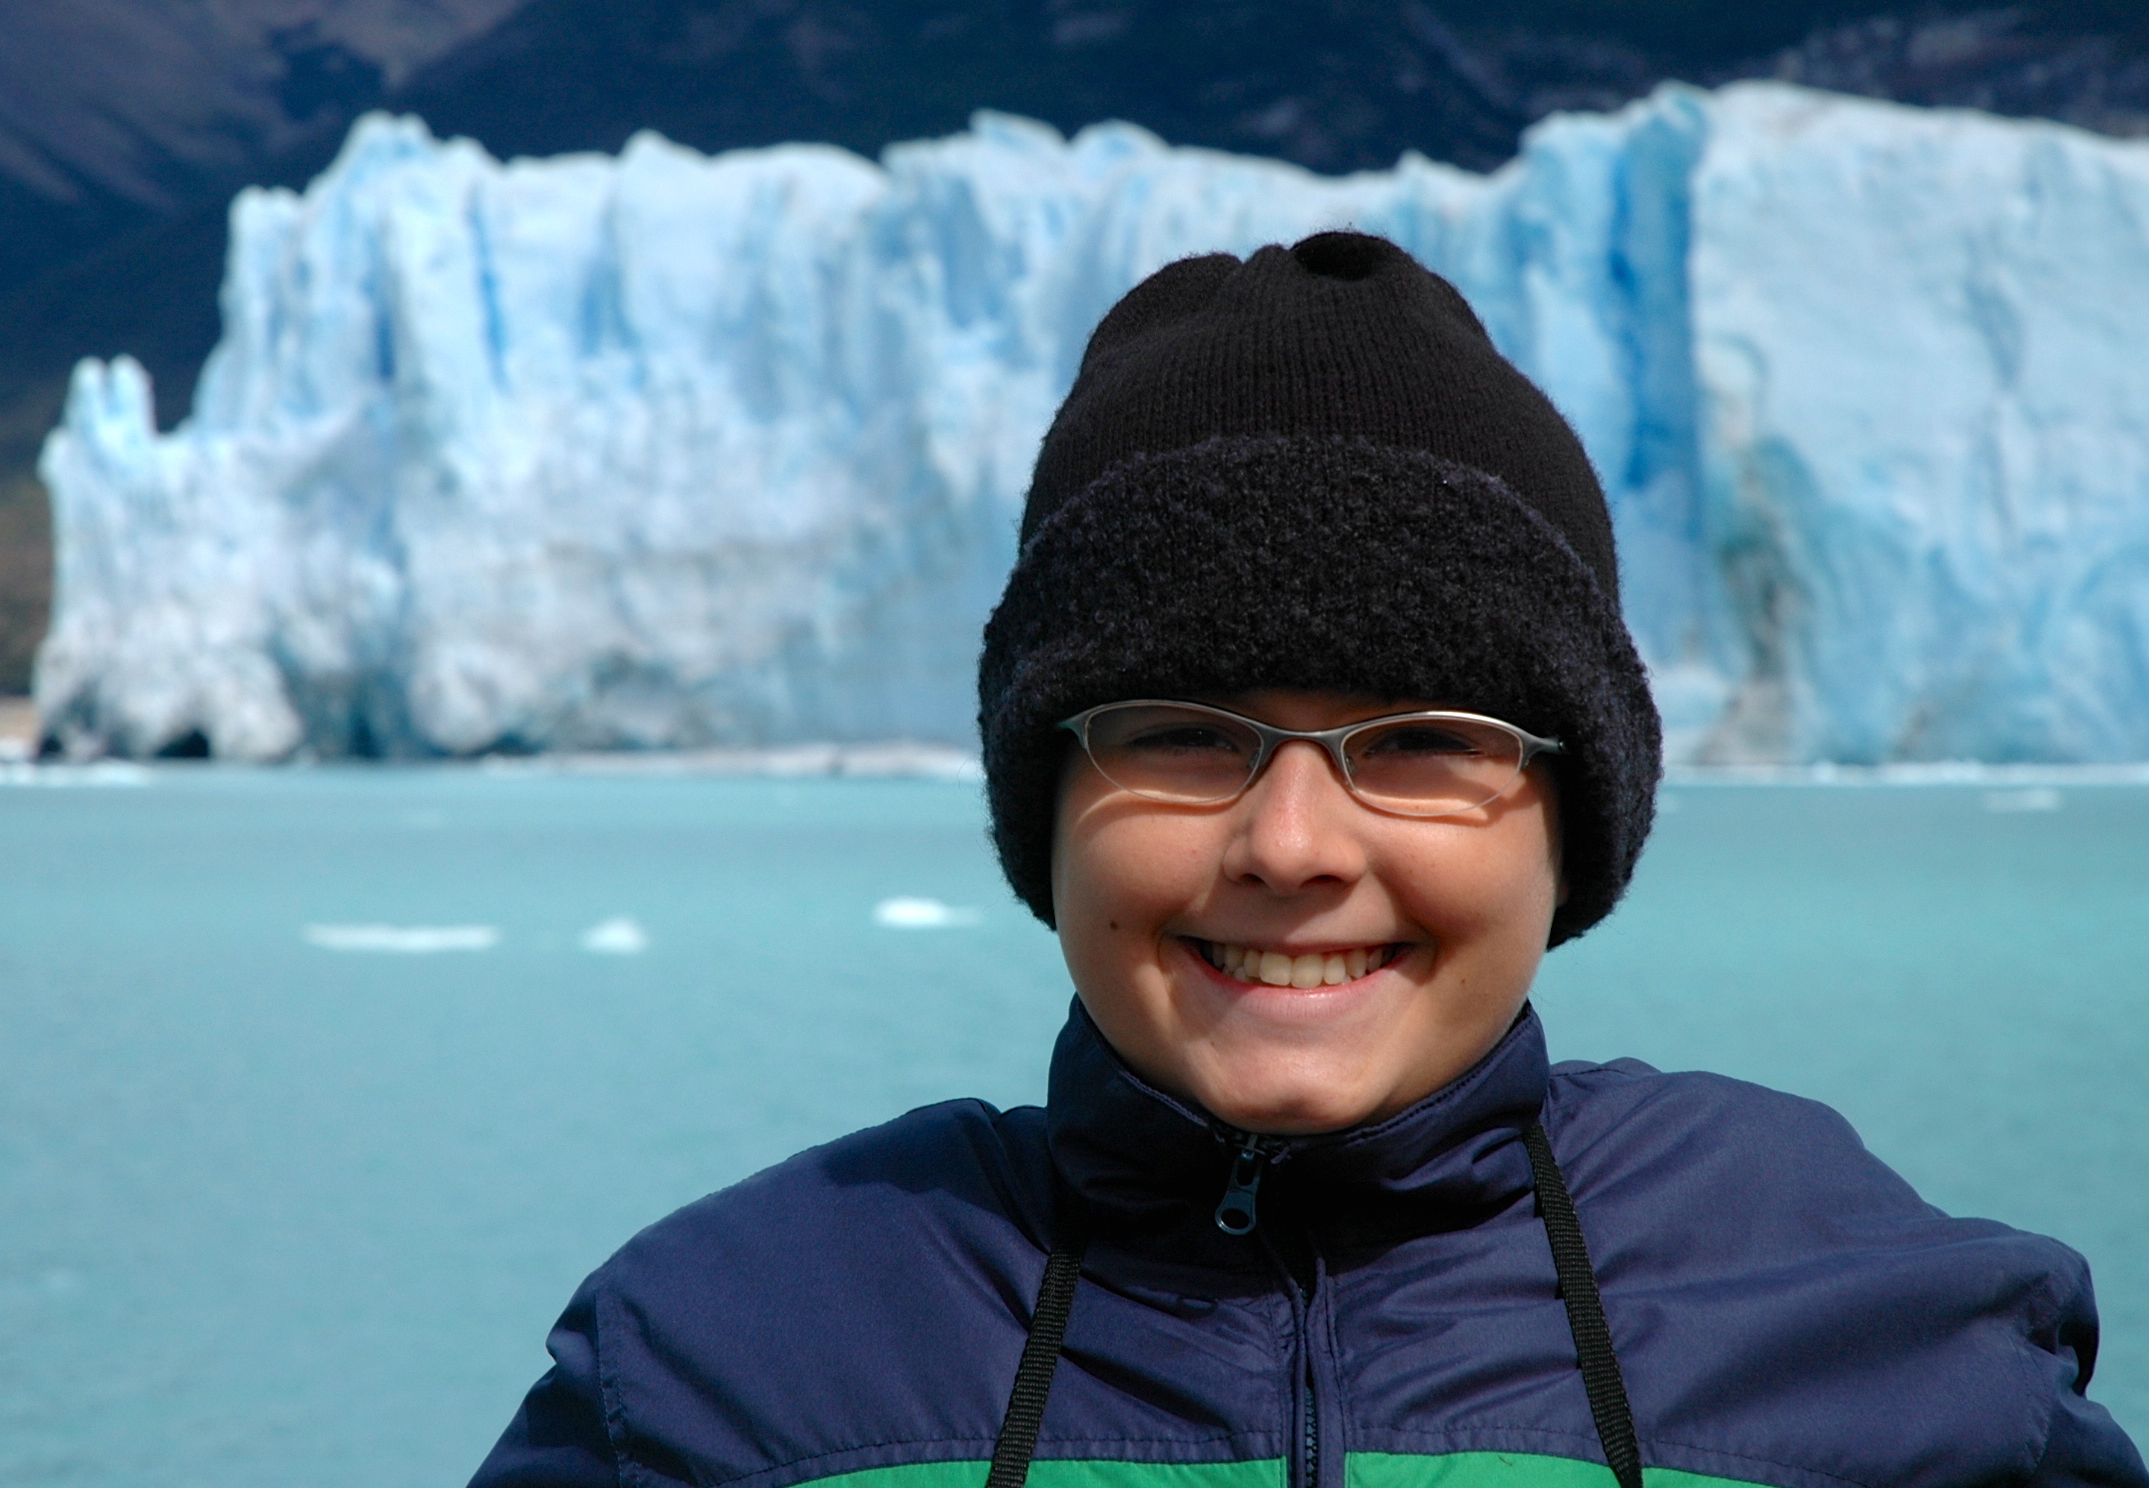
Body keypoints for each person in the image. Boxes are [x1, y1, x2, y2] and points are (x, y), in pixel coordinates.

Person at [468, 231, 2146, 1488]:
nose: (1289, 844)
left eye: (1420, 742)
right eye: (1181, 734)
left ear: (1575, 818)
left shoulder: (1888, 1347)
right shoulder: (731, 1364)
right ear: (1044, 806)